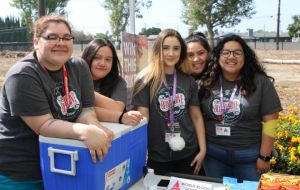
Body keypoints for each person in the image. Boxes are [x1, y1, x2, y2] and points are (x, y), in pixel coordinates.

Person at [0, 14, 113, 189]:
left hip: (66, 164)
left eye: (66, 37)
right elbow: (44, 125)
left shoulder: (79, 66)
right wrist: (84, 131)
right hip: (24, 173)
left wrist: (93, 126)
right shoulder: (23, 74)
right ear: (36, 41)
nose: (61, 42)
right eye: (52, 37)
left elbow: (86, 109)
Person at [198, 34, 282, 182]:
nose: (232, 57)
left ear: (245, 57)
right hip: (214, 157)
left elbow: (271, 123)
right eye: (226, 52)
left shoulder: (261, 82)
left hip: (249, 158)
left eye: (237, 52)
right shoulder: (207, 81)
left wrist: (265, 156)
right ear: (218, 56)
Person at [132, 29, 206, 175]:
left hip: (189, 153)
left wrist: (203, 149)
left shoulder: (188, 81)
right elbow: (143, 120)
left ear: (181, 51)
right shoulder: (145, 80)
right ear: (157, 50)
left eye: (176, 48)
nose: (171, 53)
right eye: (165, 48)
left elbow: (196, 116)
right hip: (158, 156)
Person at [81, 38, 143, 126]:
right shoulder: (75, 78)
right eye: (97, 58)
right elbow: (75, 111)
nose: (102, 63)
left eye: (108, 59)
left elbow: (117, 109)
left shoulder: (118, 82)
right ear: (88, 58)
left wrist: (85, 92)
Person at [184, 31, 211, 176]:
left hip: (215, 145)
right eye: (190, 55)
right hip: (188, 146)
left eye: (201, 53)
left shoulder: (218, 78)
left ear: (208, 53)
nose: (196, 59)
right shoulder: (178, 80)